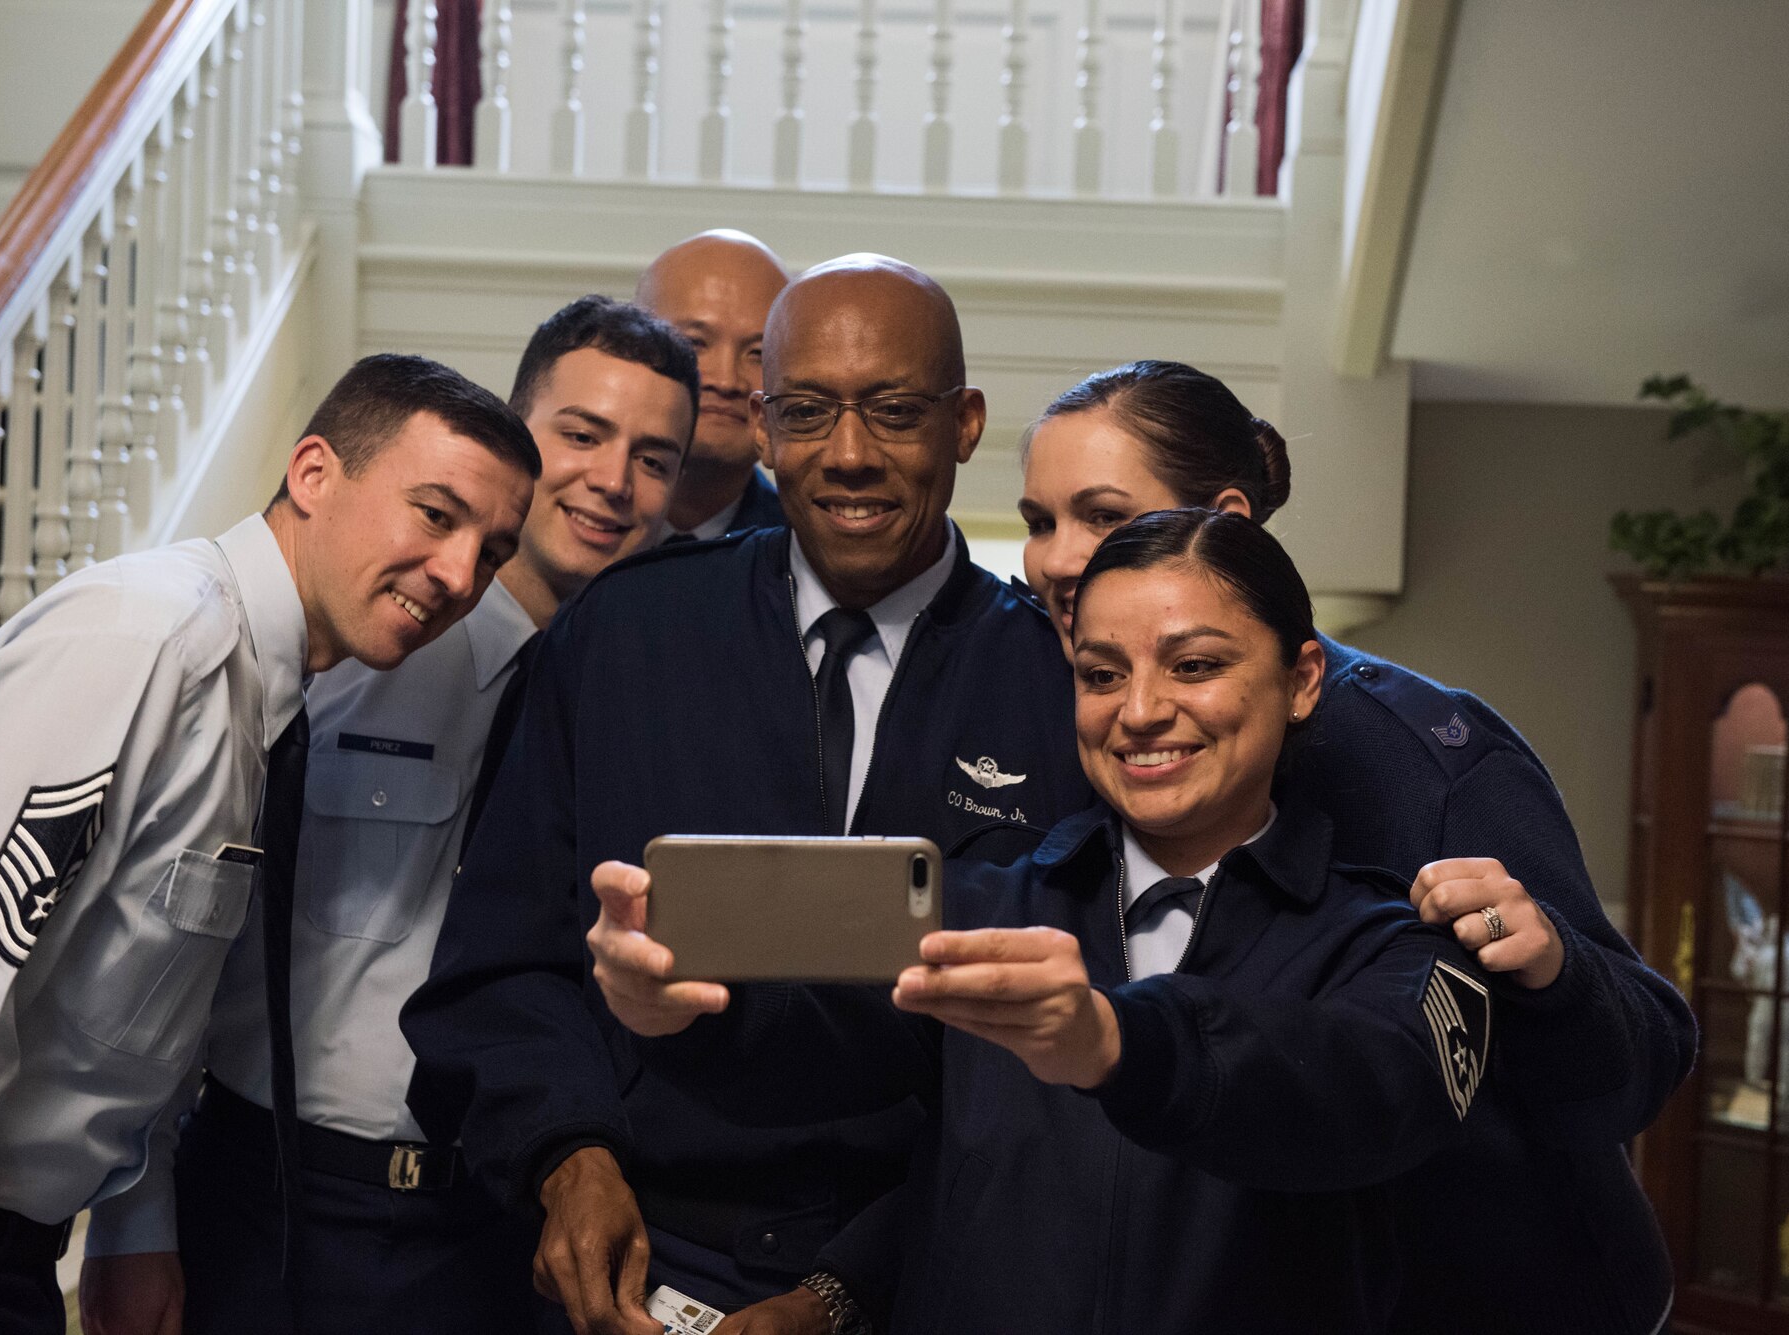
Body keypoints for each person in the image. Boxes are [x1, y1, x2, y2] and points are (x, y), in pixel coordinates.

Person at [402, 255, 1095, 1335]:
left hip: (921, 1274)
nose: (850, 456)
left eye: (895, 413)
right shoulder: (624, 637)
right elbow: (500, 962)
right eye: (807, 412)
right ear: (763, 428)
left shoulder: (1058, 688)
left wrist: (845, 1290)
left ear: (963, 424)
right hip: (625, 1262)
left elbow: (1055, 1064)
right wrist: (564, 1157)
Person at [586, 509, 1490, 1333]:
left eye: (1196, 665)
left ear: (1301, 680)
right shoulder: (986, 908)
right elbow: (812, 1042)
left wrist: (1116, 1037)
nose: (1139, 712)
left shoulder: (1392, 945)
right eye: (1102, 673)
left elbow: (1358, 1093)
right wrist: (677, 1006)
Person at [0, 353, 538, 1335]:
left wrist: (130, 1225)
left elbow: (141, 1001)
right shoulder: (147, 639)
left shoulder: (261, 695)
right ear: (314, 474)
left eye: (493, 551)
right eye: (434, 514)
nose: (461, 575)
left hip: (12, 1244)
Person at [1015, 359, 1695, 1334]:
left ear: (1232, 527)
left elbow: (1639, 1061)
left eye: (1101, 517)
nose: (1053, 559)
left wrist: (1550, 973)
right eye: (1039, 522)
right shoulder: (1087, 727)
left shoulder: (1432, 759)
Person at [78, 300, 697, 1335]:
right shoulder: (346, 655)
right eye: (580, 435)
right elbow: (158, 953)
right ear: (517, 435)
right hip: (275, 1200)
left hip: (508, 1227)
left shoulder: (655, 712)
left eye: (653, 458)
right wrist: (130, 1222)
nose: (612, 481)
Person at [636, 230, 789, 541]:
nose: (726, 381)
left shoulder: (805, 550)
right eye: (695, 343)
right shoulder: (547, 522)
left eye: (757, 353)